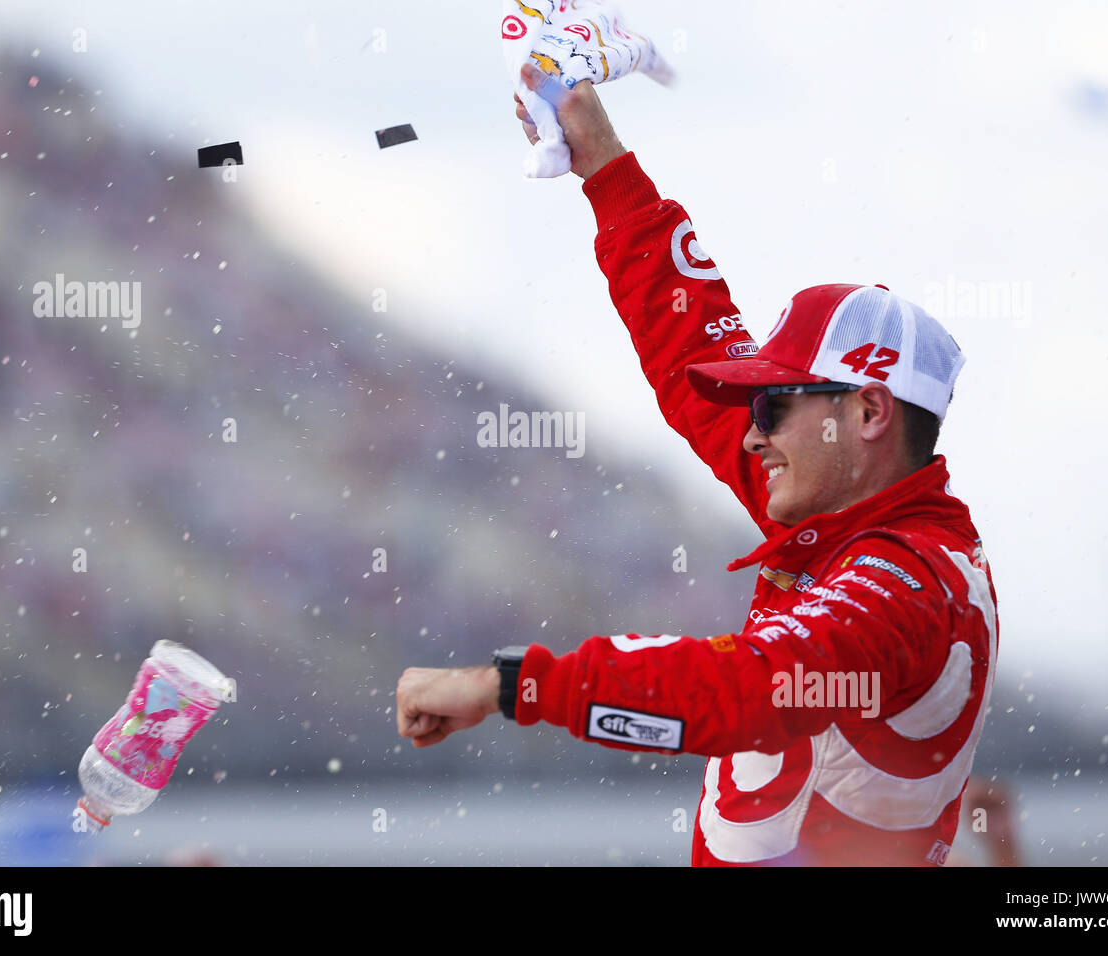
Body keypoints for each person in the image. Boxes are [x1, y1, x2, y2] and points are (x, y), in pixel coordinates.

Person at [395, 63, 1000, 866]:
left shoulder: (905, 581)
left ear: (865, 414)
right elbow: (695, 350)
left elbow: (750, 691)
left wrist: (511, 685)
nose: (751, 437)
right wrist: (606, 167)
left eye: (775, 407)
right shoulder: (844, 521)